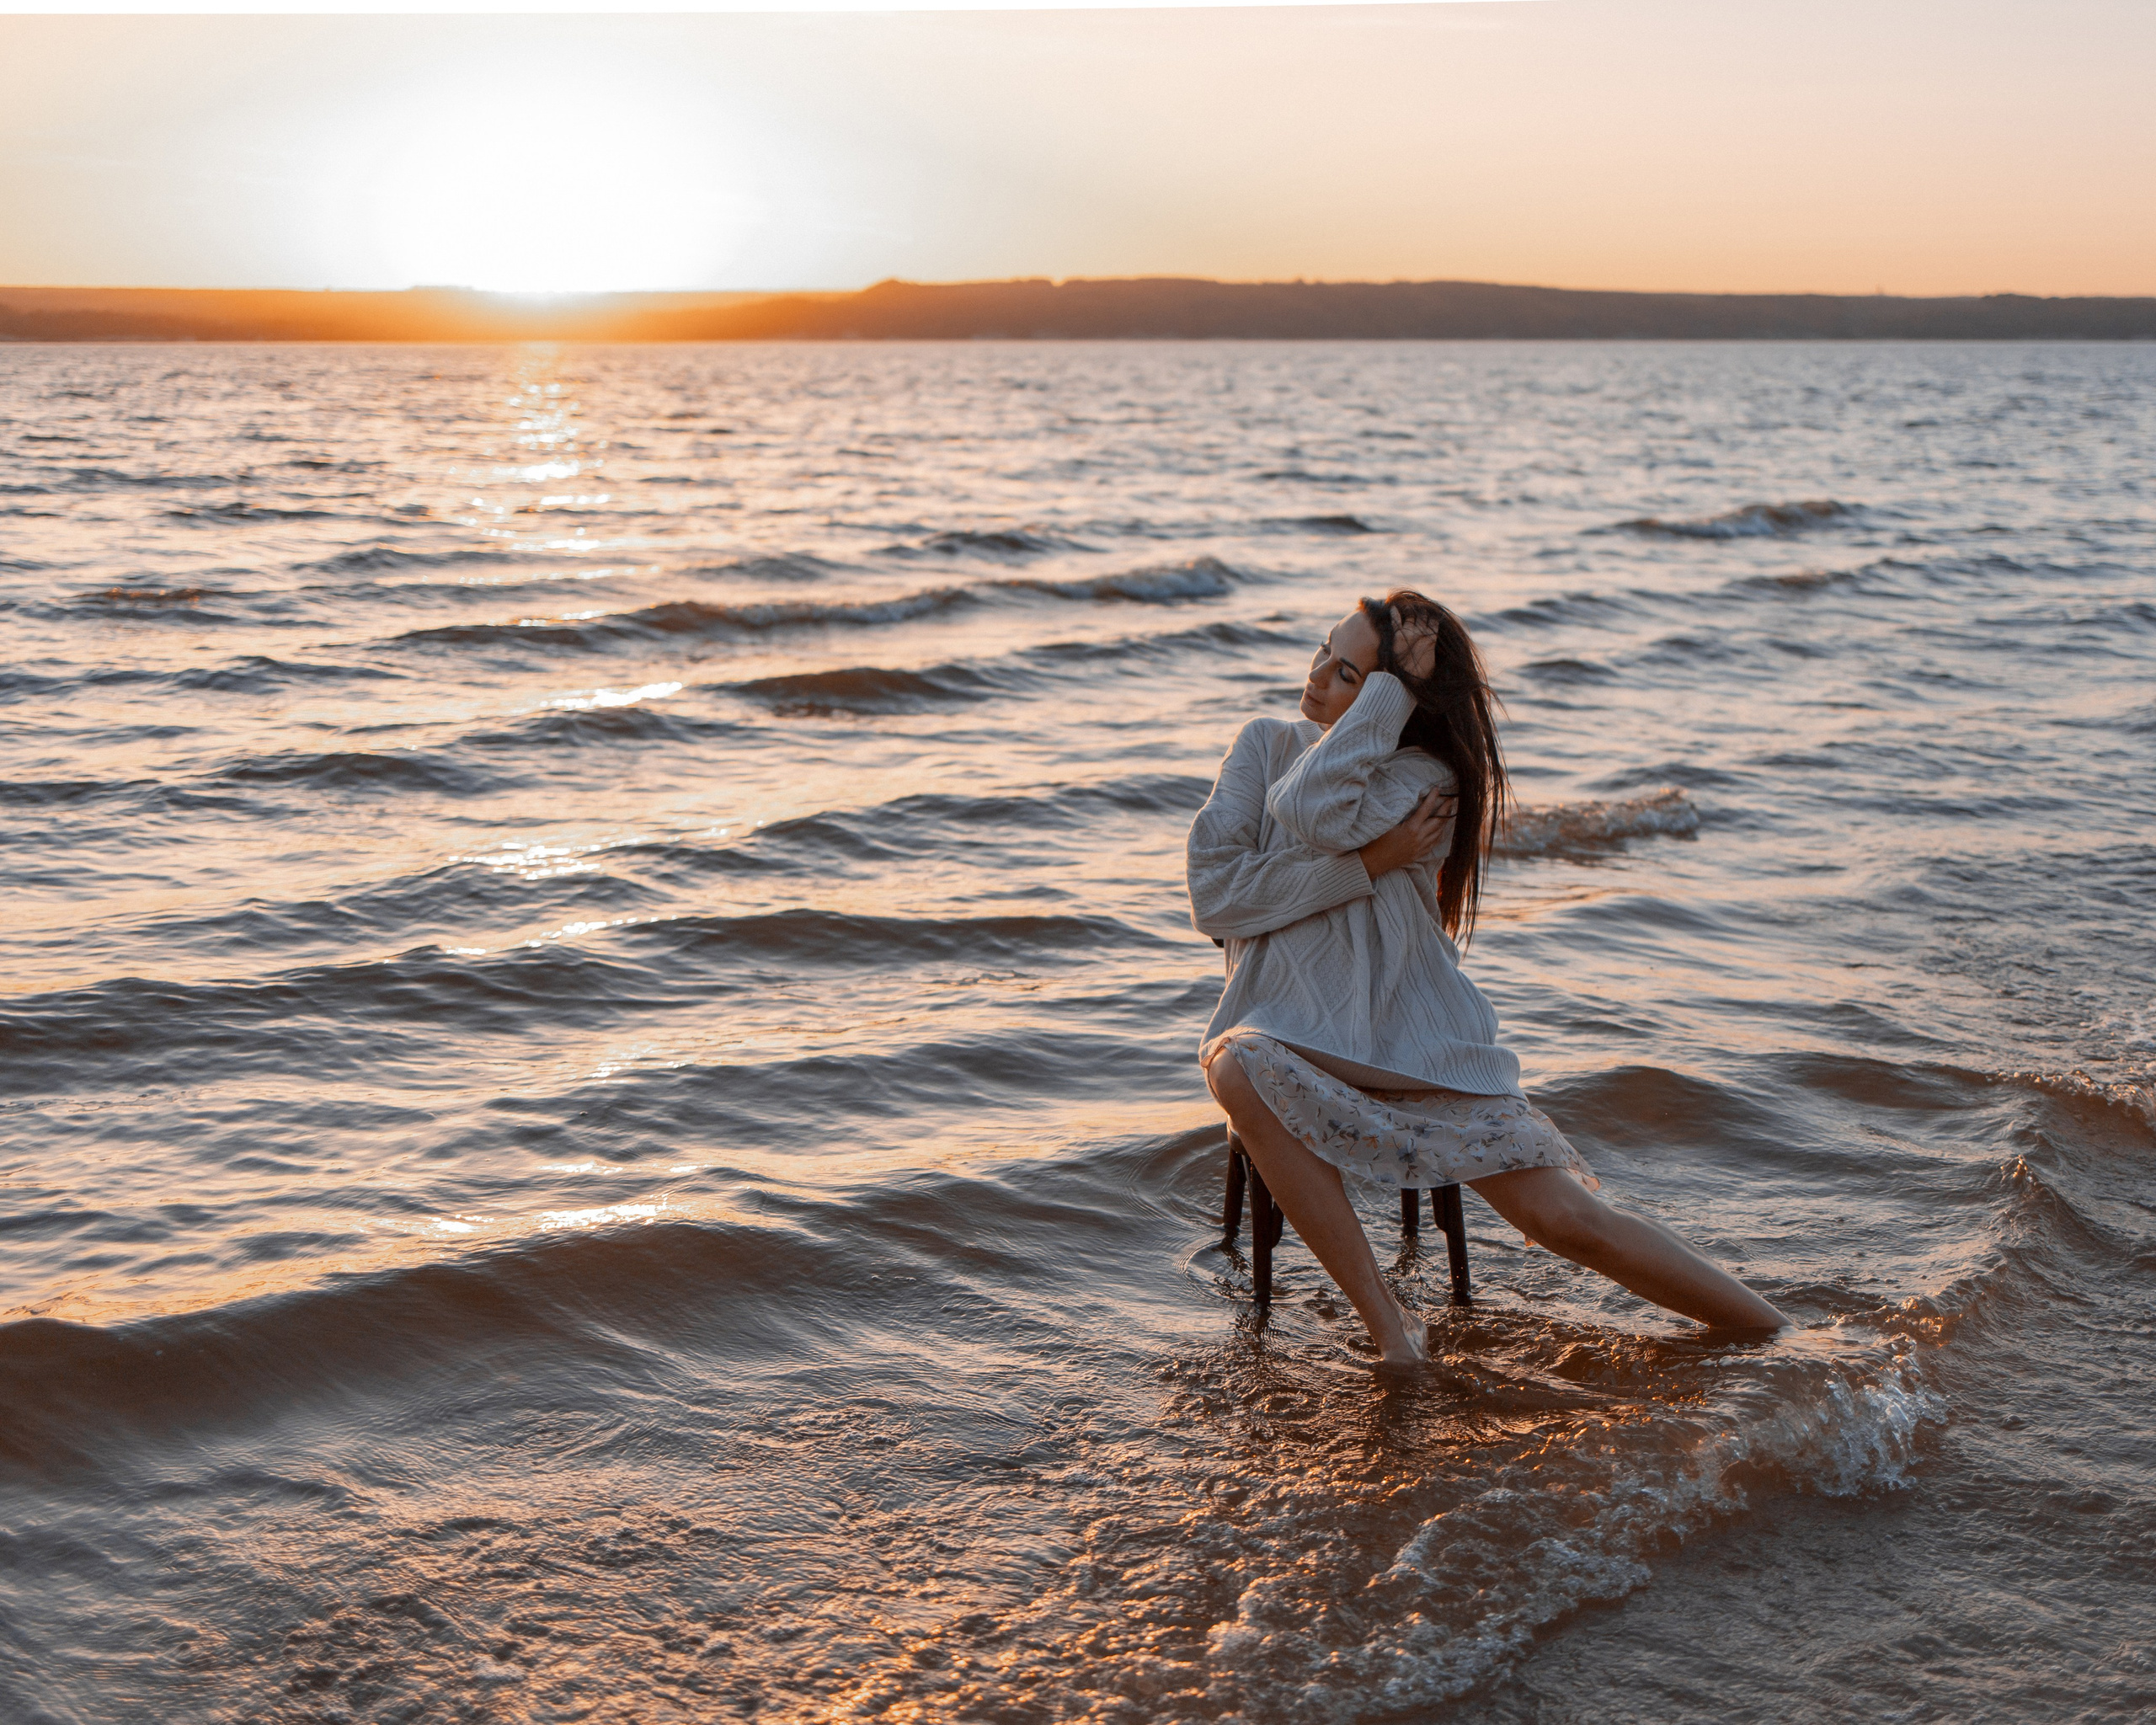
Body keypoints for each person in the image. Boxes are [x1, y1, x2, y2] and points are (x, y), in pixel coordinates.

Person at [1189, 590, 1786, 1365]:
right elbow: (1216, 898)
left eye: (1348, 675)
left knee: (1566, 1220)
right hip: (1292, 1027)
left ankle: (1771, 1332)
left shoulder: (1424, 774)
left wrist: (1389, 696)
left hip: (1418, 1039)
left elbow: (1310, 807)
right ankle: (1390, 1326)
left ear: (1393, 700)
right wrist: (1370, 865)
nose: (1315, 680)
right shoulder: (1263, 744)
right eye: (1321, 654)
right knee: (1236, 1064)